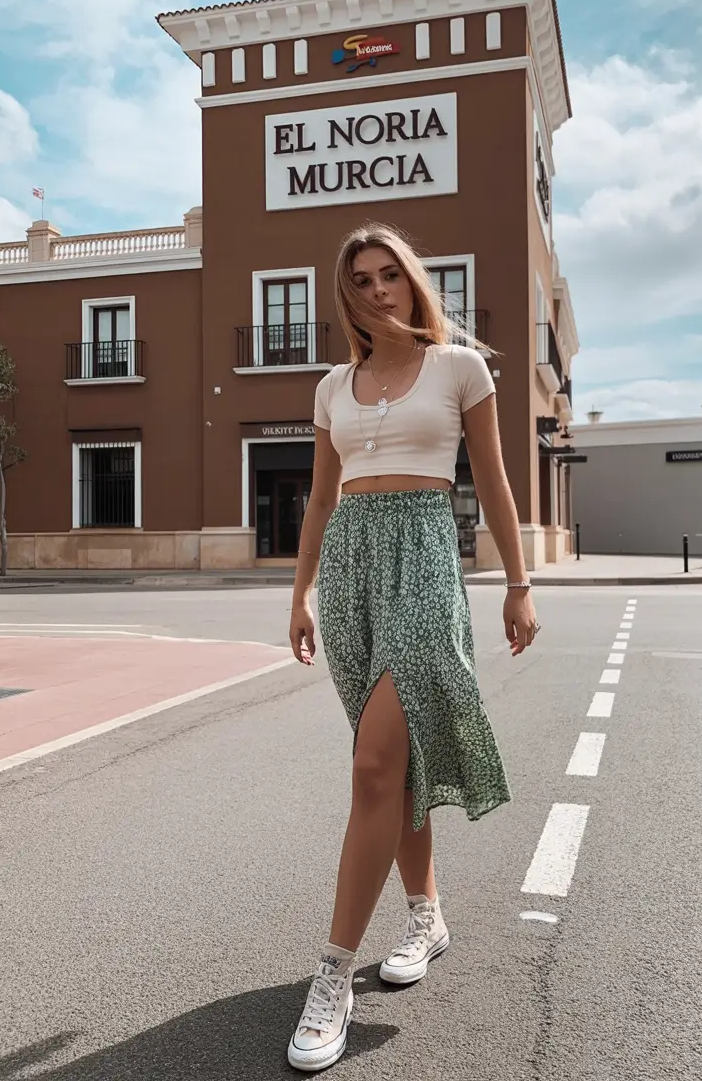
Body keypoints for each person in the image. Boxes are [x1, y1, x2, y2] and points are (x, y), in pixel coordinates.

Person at [286, 223, 539, 1072]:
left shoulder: (461, 367)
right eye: (362, 279)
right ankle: (426, 912)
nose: (378, 290)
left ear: (414, 281)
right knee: (392, 766)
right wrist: (300, 594)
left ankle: (331, 977)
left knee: (372, 766)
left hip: (427, 554)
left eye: (390, 274)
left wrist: (518, 582)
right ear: (346, 292)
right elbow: (320, 501)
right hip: (352, 566)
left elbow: (495, 479)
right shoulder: (332, 388)